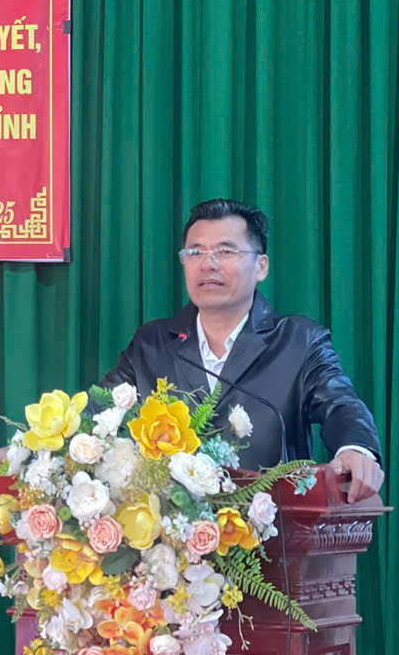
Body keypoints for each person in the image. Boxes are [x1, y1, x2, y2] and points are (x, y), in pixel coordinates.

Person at [101, 198, 384, 502]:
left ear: (261, 266)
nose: (208, 264)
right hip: (170, 527)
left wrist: (356, 448)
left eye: (225, 251)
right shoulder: (151, 344)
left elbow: (340, 404)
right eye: (195, 252)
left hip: (275, 525)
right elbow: (98, 412)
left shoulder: (299, 341)